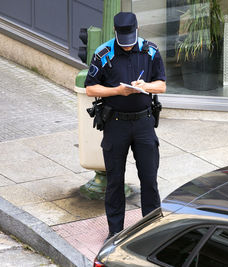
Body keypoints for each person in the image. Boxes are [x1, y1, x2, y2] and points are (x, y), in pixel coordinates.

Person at [84, 12, 166, 241]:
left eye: (131, 39)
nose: (128, 46)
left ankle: (150, 229)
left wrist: (146, 86)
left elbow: (162, 85)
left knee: (149, 179)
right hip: (116, 124)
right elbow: (90, 88)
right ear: (115, 33)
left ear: (137, 30)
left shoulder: (150, 50)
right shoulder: (103, 53)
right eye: (123, 40)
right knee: (115, 180)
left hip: (143, 123)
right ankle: (115, 231)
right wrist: (117, 91)